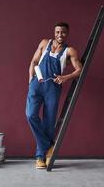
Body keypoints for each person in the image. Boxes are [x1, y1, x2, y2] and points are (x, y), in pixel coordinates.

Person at [26, 22, 82, 169]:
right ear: (54, 32)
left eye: (63, 32)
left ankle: (40, 157)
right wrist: (30, 81)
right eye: (57, 32)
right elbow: (34, 61)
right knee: (30, 115)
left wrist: (65, 77)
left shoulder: (70, 51)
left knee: (49, 122)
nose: (59, 35)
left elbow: (79, 70)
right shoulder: (44, 43)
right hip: (36, 85)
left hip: (53, 88)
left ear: (67, 33)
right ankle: (49, 147)